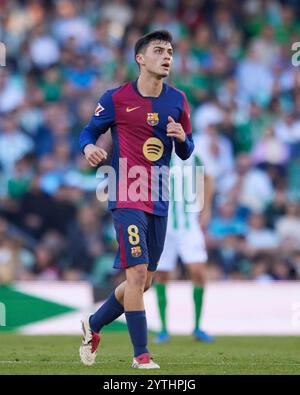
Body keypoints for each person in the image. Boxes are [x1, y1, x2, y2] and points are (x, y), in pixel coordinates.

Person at [78, 30, 194, 369]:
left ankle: (94, 323)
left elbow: (187, 152)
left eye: (170, 51)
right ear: (140, 59)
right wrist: (88, 146)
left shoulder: (178, 100)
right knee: (137, 272)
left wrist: (182, 138)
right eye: (158, 50)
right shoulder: (116, 98)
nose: (167, 56)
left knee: (143, 281)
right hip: (126, 194)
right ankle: (141, 354)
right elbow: (89, 130)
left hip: (159, 196)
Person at [154, 135, 215, 343]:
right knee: (161, 275)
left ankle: (197, 327)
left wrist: (206, 210)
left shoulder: (192, 154)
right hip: (163, 224)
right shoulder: (154, 151)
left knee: (198, 271)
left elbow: (207, 178)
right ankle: (163, 329)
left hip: (189, 224)